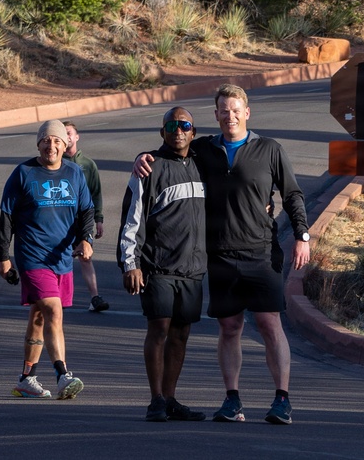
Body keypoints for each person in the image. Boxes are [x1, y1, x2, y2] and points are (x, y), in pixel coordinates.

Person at [134, 84, 310, 425]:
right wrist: (144, 157)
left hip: (261, 252)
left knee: (270, 323)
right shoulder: (205, 149)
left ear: (247, 113)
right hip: (220, 255)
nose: (229, 116)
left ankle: (282, 399)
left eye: (235, 110)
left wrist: (302, 235)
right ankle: (232, 400)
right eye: (223, 111)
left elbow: (292, 194)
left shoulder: (269, 149)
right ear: (216, 116)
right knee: (230, 327)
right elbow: (173, 146)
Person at [117, 107, 207, 422]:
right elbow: (133, 218)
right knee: (159, 329)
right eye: (172, 125)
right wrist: (130, 263)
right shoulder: (149, 168)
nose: (178, 130)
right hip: (157, 266)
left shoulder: (202, 164)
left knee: (181, 334)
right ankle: (155, 398)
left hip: (193, 269)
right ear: (162, 132)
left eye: (185, 125)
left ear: (193, 132)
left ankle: (170, 398)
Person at [0, 120, 94, 400]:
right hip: (32, 255)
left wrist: (87, 239)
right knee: (53, 310)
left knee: (39, 316)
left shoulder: (75, 173)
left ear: (65, 145)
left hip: (62, 257)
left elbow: (86, 211)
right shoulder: (24, 173)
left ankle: (26, 378)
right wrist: (3, 257)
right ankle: (63, 374)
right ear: (38, 143)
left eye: (57, 141)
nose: (51, 146)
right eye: (46, 141)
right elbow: (6, 217)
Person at [62, 120, 109, 312]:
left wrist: (99, 219)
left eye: (69, 133)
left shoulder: (88, 165)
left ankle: (94, 298)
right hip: (62, 220)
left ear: (77, 136)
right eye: (63, 134)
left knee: (85, 257)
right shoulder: (57, 163)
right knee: (60, 259)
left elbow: (96, 193)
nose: (67, 136)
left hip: (84, 220)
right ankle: (58, 298)